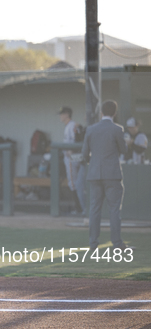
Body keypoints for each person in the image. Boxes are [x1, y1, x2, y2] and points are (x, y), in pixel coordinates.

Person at [81, 100, 131, 252]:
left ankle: (93, 244)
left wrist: (93, 162)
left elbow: (84, 153)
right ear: (115, 113)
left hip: (95, 173)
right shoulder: (117, 129)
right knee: (114, 209)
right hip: (112, 174)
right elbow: (124, 150)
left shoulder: (91, 129)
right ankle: (116, 243)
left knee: (94, 209)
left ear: (101, 112)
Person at [59, 106, 86, 215]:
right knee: (77, 183)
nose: (60, 116)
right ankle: (80, 208)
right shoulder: (70, 125)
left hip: (72, 158)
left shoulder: (71, 126)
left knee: (73, 183)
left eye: (61, 114)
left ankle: (79, 209)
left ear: (66, 114)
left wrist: (72, 150)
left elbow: (78, 140)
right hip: (76, 157)